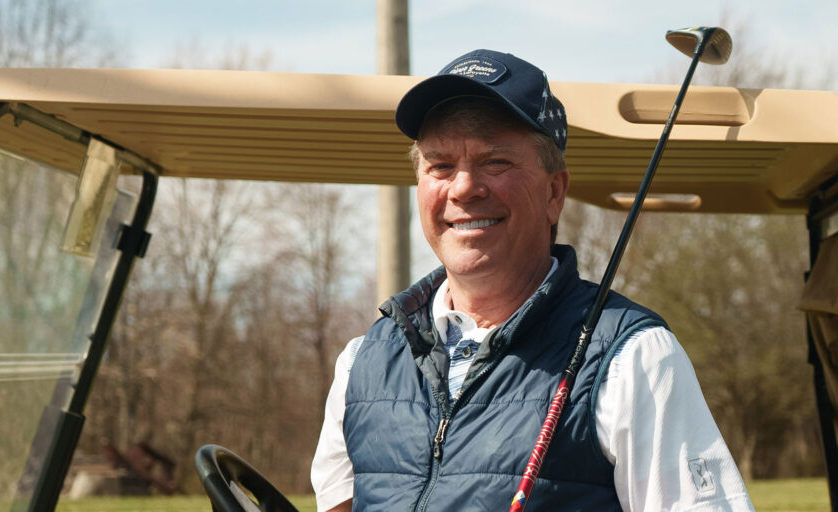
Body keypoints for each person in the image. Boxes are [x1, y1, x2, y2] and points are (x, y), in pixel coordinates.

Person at [310, 49, 754, 512]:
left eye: (495, 161)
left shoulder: (633, 358)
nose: (463, 187)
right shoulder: (362, 363)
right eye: (439, 166)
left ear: (554, 193)